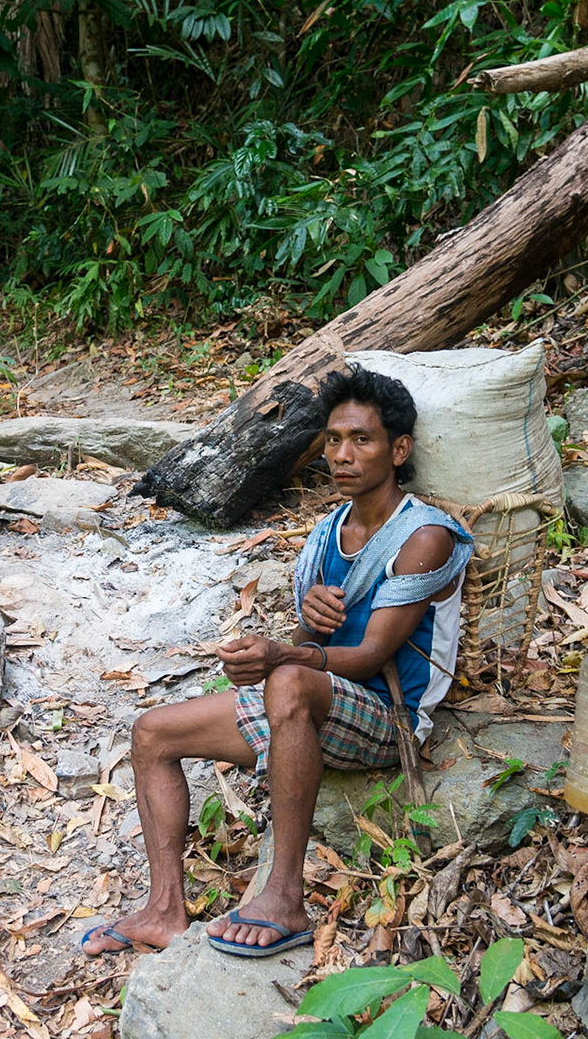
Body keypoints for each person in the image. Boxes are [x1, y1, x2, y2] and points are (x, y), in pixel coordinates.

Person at [83, 367, 472, 957]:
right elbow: (313, 647)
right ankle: (165, 909)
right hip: (324, 700)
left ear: (399, 450)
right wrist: (305, 628)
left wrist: (282, 653)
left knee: (288, 679)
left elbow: (368, 657)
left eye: (361, 440)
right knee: (152, 732)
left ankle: (284, 895)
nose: (342, 454)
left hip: (393, 720)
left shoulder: (424, 537)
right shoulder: (329, 533)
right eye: (334, 439)